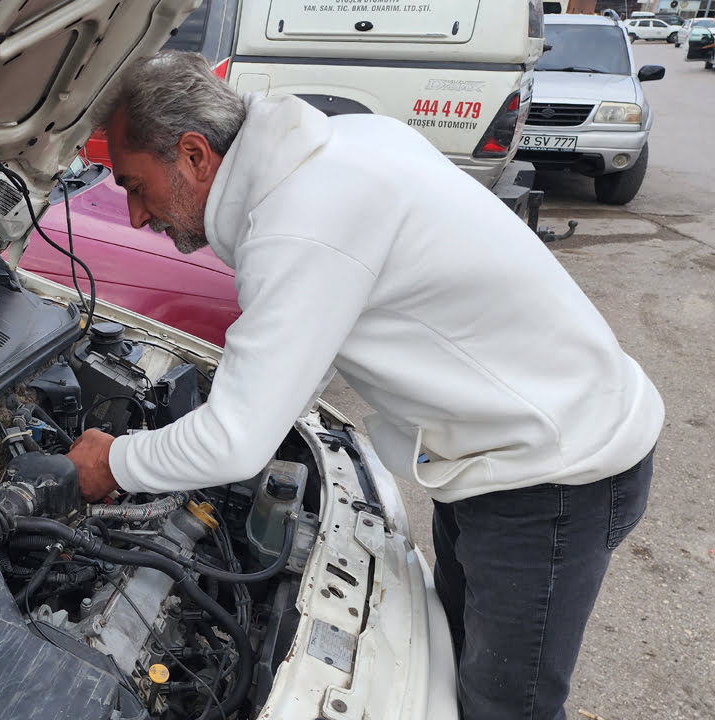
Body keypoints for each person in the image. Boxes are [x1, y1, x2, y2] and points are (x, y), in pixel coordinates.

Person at [66, 51, 663, 720]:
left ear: (197, 155)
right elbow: (300, 361)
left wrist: (111, 461)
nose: (136, 216)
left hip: (555, 474)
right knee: (457, 668)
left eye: (136, 186)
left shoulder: (300, 218)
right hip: (495, 455)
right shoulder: (343, 142)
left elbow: (236, 444)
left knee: (505, 706)